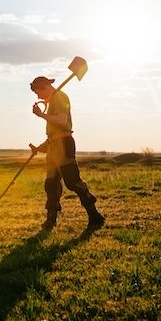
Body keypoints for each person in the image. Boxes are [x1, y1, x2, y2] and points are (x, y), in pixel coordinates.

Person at [30, 76, 105, 230]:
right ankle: (51, 220)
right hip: (54, 145)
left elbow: (62, 121)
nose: (38, 96)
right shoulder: (52, 100)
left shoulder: (60, 97)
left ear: (43, 86)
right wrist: (41, 147)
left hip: (64, 145)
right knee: (51, 184)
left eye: (38, 92)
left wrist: (41, 115)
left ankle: (95, 216)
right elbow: (54, 132)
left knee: (72, 182)